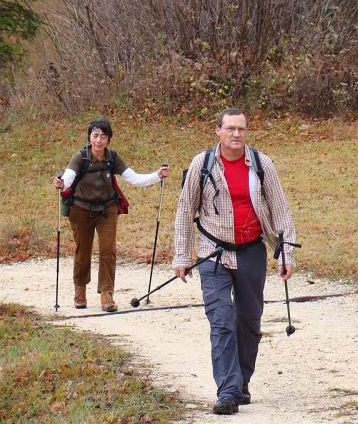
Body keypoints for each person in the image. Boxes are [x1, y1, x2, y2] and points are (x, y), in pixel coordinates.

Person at [174, 107, 297, 416]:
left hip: (251, 250)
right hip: (212, 253)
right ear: (218, 131)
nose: (236, 134)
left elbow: (280, 210)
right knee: (221, 320)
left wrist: (285, 252)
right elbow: (185, 211)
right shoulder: (201, 164)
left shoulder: (261, 164)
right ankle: (227, 391)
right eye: (230, 128)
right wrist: (181, 255)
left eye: (241, 129)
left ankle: (241, 383)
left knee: (249, 322)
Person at [53, 118, 169, 312]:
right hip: (80, 210)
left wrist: (157, 175)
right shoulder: (79, 158)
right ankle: (80, 290)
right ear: (90, 137)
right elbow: (67, 179)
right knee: (83, 252)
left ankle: (107, 294)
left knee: (108, 251)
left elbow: (134, 178)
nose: (98, 140)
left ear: (108, 139)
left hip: (107, 210)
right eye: (95, 135)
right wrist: (60, 184)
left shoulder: (113, 158)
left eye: (103, 136)